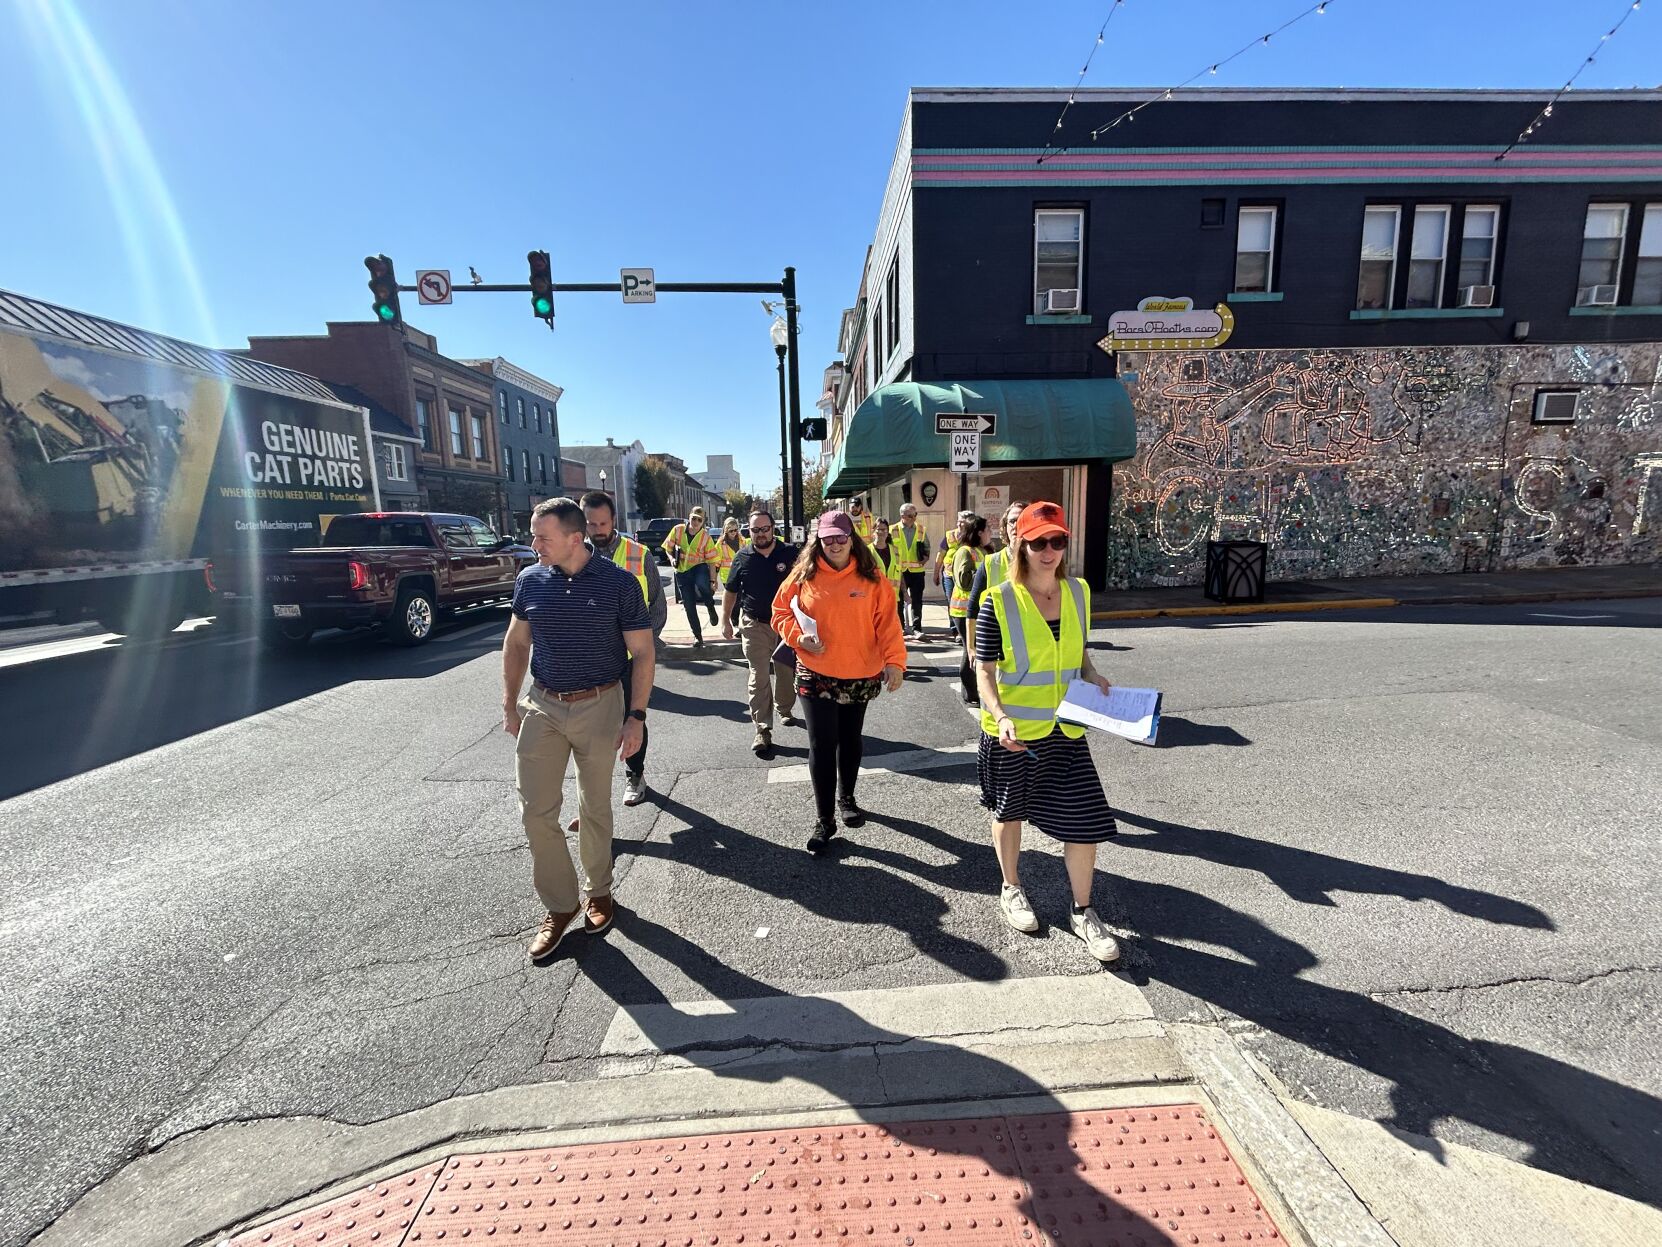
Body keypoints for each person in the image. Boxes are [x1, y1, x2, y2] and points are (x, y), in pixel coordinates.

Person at [503, 498, 653, 961]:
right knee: (536, 811)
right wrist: (510, 702)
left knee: (594, 806)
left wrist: (637, 716)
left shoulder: (619, 584)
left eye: (542, 537)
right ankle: (560, 906)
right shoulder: (530, 580)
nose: (534, 545)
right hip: (543, 704)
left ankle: (600, 891)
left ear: (574, 538)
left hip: (601, 704)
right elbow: (516, 642)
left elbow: (643, 654)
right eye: (533, 535)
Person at [973, 501, 1121, 964]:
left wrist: (1094, 674)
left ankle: (1083, 910)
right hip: (1016, 731)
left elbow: (1078, 654)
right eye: (1040, 542)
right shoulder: (997, 599)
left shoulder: (1078, 592)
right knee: (1009, 812)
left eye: (1058, 541)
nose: (1050, 550)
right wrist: (999, 715)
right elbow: (984, 670)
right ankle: (1011, 887)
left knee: (1085, 820)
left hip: (1068, 728)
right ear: (1022, 544)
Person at [771, 510, 906, 856]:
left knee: (849, 738)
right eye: (827, 537)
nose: (833, 543)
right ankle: (824, 819)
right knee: (821, 742)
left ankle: (847, 797)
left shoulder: (871, 577)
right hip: (814, 671)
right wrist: (799, 637)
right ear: (819, 539)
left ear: (852, 539)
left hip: (859, 672)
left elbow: (888, 623)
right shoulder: (804, 573)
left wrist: (895, 663)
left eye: (840, 537)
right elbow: (780, 612)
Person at [583, 490, 665, 806]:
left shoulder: (638, 554)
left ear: (614, 520)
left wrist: (644, 645)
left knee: (633, 717)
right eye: (591, 524)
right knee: (593, 725)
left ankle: (635, 773)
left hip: (632, 659)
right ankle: (592, 793)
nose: (598, 530)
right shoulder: (575, 555)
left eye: (603, 523)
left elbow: (657, 606)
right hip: (593, 660)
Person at [721, 509, 801, 758]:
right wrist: (725, 620)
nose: (761, 534)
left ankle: (784, 708)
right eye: (756, 530)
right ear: (749, 531)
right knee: (759, 675)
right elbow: (731, 591)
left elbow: (806, 585)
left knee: (786, 672)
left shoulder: (790, 554)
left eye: (765, 529)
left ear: (773, 528)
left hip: (786, 625)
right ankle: (762, 729)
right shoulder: (742, 557)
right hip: (754, 624)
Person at [963, 499, 1028, 694]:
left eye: (1023, 520)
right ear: (1005, 526)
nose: (1016, 526)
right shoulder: (991, 564)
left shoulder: (1043, 563)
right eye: (1012, 521)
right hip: (997, 650)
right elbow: (973, 609)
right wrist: (971, 648)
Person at [661, 506, 720, 645]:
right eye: (694, 518)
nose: (695, 522)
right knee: (689, 605)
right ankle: (698, 636)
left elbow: (712, 561)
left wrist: (713, 581)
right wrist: (672, 559)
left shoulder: (706, 537)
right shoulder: (677, 530)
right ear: (689, 517)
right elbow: (668, 549)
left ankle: (710, 606)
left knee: (702, 585)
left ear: (703, 522)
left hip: (698, 567)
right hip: (681, 572)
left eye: (699, 520)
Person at [948, 515, 988, 705]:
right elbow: (964, 582)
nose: (990, 534)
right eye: (987, 530)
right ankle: (970, 692)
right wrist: (982, 578)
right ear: (979, 533)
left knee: (972, 649)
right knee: (969, 649)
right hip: (963, 610)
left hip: (974, 610)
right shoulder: (965, 552)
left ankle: (970, 692)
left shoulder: (979, 551)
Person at [933, 509, 977, 633]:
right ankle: (955, 630)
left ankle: (968, 628)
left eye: (962, 522)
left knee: (967, 603)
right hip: (949, 575)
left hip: (966, 576)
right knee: (951, 601)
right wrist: (936, 573)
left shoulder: (973, 537)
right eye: (958, 521)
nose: (958, 524)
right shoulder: (949, 535)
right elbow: (940, 555)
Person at [891, 503, 929, 635]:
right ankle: (900, 627)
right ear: (902, 516)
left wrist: (925, 558)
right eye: (911, 515)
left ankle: (917, 629)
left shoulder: (921, 529)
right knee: (899, 600)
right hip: (899, 572)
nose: (914, 518)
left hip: (917, 572)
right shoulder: (893, 530)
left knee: (917, 601)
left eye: (915, 515)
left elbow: (927, 548)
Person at [713, 516, 745, 590]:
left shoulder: (742, 541)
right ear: (726, 530)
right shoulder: (720, 544)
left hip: (740, 575)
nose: (734, 532)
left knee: (740, 599)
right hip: (727, 577)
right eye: (731, 531)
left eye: (735, 530)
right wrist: (714, 580)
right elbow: (716, 564)